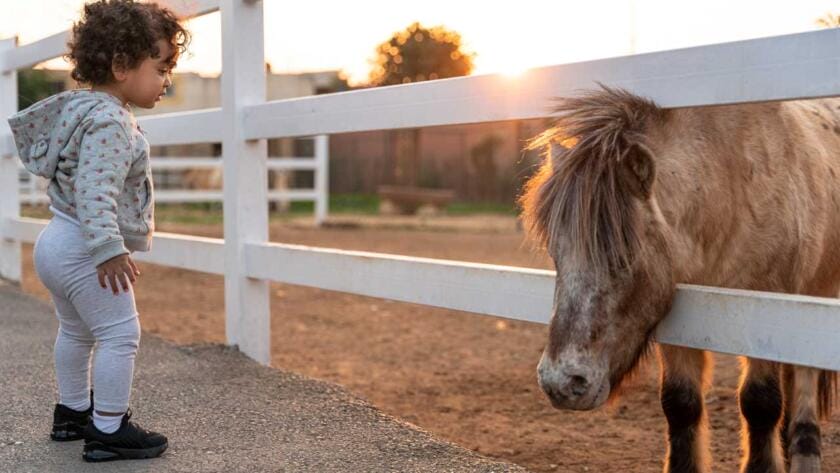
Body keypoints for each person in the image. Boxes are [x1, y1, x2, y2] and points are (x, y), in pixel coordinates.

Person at [6, 0, 190, 462]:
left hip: (57, 239)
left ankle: (71, 414)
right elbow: (95, 189)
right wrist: (108, 248)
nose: (166, 79)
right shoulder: (110, 121)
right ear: (123, 65)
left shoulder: (82, 109)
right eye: (161, 67)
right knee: (119, 334)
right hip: (85, 246)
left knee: (76, 331)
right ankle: (108, 428)